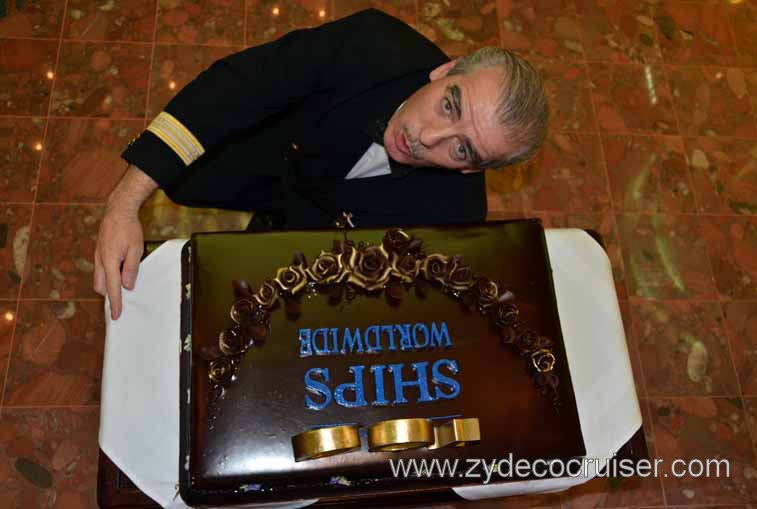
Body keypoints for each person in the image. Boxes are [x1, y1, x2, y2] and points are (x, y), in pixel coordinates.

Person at [93, 8, 549, 320]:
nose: (426, 138)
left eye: (463, 149)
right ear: (444, 71)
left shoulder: (455, 219)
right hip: (270, 154)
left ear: (473, 170)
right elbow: (238, 87)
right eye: (450, 105)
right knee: (189, 178)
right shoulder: (372, 44)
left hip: (316, 235)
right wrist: (124, 204)